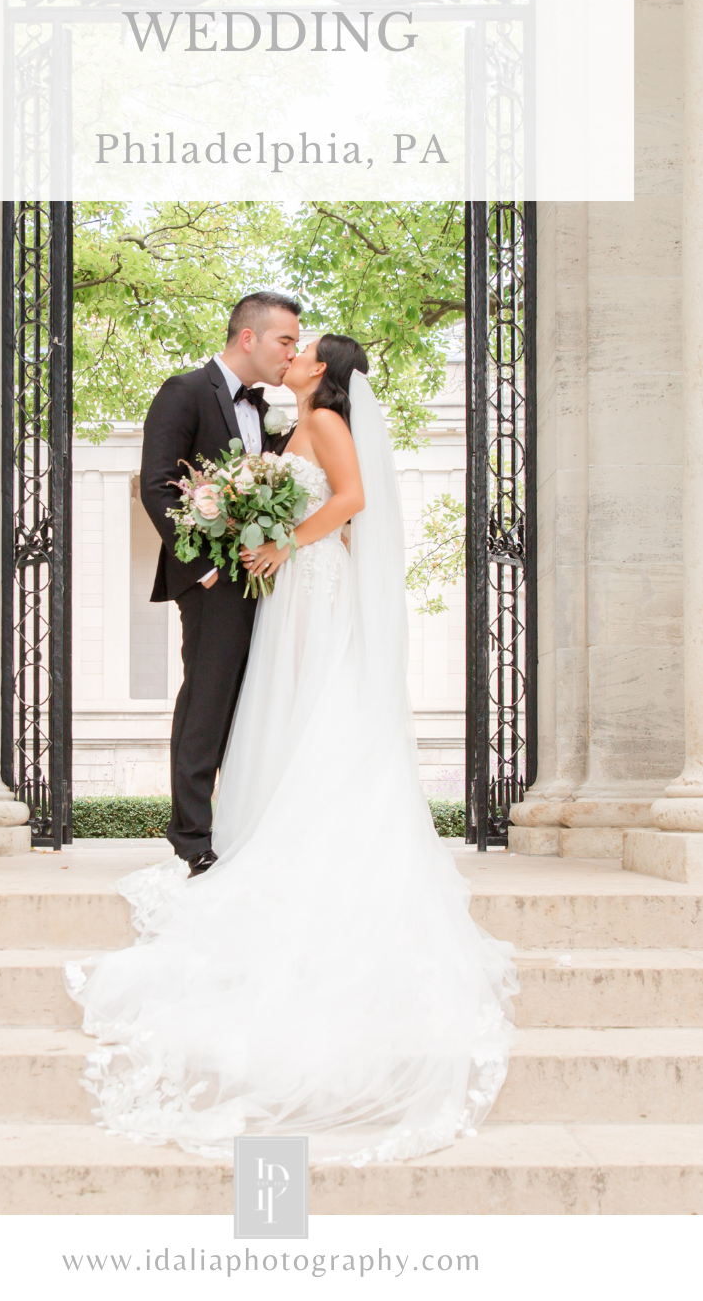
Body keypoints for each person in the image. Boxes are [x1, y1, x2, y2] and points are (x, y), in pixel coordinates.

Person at [66, 336, 517, 1164]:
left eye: (306, 350)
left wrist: (284, 543)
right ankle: (256, 823)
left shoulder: (330, 423)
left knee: (315, 705)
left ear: (327, 372)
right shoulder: (295, 418)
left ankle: (304, 836)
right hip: (289, 583)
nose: (295, 355)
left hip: (311, 580)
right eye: (289, 342)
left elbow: (350, 501)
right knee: (284, 706)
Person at [139, 291, 301, 874]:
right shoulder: (184, 391)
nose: (293, 351)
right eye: (286, 340)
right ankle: (191, 838)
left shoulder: (267, 411)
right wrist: (203, 570)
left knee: (251, 702)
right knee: (206, 702)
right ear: (249, 338)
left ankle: (240, 822)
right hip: (211, 580)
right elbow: (158, 485)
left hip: (263, 580)